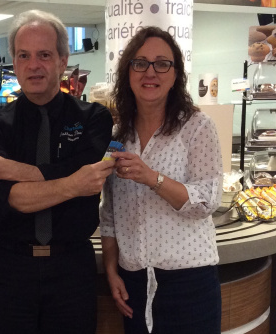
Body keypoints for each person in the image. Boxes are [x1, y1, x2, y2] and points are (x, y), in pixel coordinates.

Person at [0, 10, 115, 334]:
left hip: (72, 267)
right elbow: (16, 199)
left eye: (44, 55)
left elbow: (90, 177)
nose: (34, 65)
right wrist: (74, 183)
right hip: (10, 269)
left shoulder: (95, 118)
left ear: (62, 61)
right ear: (15, 64)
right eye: (24, 56)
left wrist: (8, 167)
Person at [99, 26, 223, 334]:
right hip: (134, 282)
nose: (150, 72)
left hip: (189, 282)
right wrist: (112, 271)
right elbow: (110, 215)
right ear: (128, 72)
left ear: (176, 73)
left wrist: (152, 177)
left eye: (162, 63)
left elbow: (207, 201)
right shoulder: (119, 137)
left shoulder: (196, 127)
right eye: (140, 63)